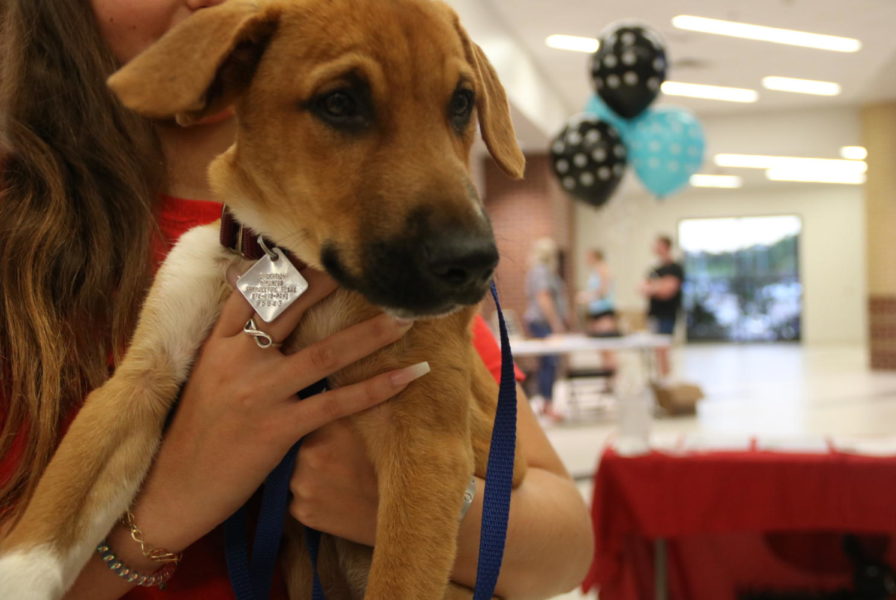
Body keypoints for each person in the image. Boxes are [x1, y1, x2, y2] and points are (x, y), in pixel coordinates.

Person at [0, 2, 592, 599]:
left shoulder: (345, 256)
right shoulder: (32, 250)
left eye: (457, 104)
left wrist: (402, 497)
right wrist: (168, 506)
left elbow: (558, 535)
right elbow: (138, 395)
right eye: (340, 103)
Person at [523, 237, 569, 421]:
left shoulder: (540, 271)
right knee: (549, 362)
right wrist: (555, 322)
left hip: (541, 322)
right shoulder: (542, 272)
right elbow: (544, 298)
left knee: (546, 363)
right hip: (542, 322)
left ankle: (545, 403)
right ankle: (548, 404)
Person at [640, 234, 685, 380]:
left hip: (667, 314)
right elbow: (642, 289)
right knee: (656, 350)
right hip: (654, 314)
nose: (654, 248)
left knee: (663, 348)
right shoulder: (654, 269)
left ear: (665, 246)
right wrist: (659, 286)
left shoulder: (675, 268)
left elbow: (668, 292)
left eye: (657, 244)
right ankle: (660, 379)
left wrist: (655, 287)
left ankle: (666, 380)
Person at [577, 248, 618, 373]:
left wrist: (587, 296)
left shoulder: (603, 269)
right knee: (601, 348)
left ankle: (612, 379)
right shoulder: (594, 272)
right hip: (595, 312)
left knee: (608, 348)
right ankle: (607, 377)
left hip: (604, 312)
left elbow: (603, 291)